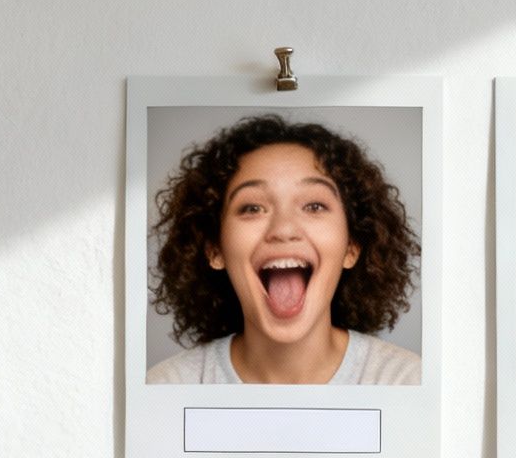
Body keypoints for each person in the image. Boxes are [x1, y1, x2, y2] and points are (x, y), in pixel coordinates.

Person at [147, 115, 421, 385]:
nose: (284, 229)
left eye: (314, 206)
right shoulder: (168, 387)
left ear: (351, 247)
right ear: (215, 249)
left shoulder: (408, 382)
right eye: (252, 208)